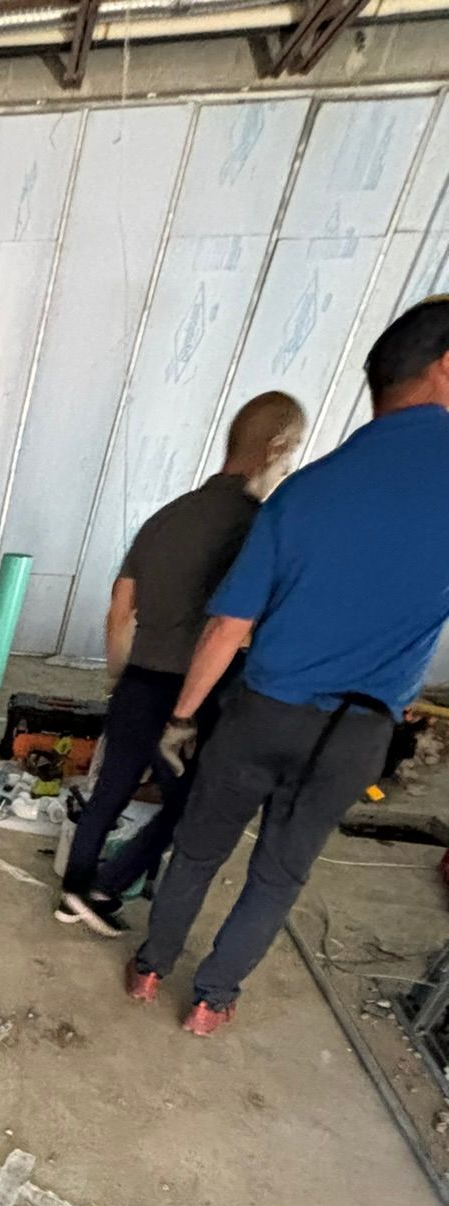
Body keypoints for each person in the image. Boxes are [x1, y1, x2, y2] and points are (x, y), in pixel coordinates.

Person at [127, 297, 449, 1035]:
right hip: (360, 729)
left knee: (199, 850)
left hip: (263, 710)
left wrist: (181, 720)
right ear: (444, 367)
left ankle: (150, 969)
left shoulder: (307, 491)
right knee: (278, 874)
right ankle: (211, 1001)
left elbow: (226, 628)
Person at [56, 391, 306, 935]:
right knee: (189, 804)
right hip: (198, 693)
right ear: (278, 448)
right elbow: (237, 628)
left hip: (140, 679)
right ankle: (104, 889)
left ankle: (72, 886)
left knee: (111, 789)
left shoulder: (165, 518)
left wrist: (121, 677)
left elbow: (121, 609)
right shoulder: (261, 528)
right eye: (293, 454)